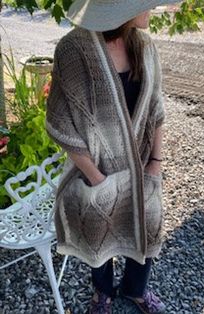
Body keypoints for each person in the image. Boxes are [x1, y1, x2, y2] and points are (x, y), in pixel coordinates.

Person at [46, 0, 179, 313]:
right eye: (146, 3)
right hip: (95, 169)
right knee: (99, 232)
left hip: (143, 165)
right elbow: (61, 123)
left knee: (146, 225)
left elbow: (156, 111)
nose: (153, 9)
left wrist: (155, 164)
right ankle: (102, 292)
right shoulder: (73, 50)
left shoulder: (144, 45)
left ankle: (135, 289)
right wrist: (96, 178)